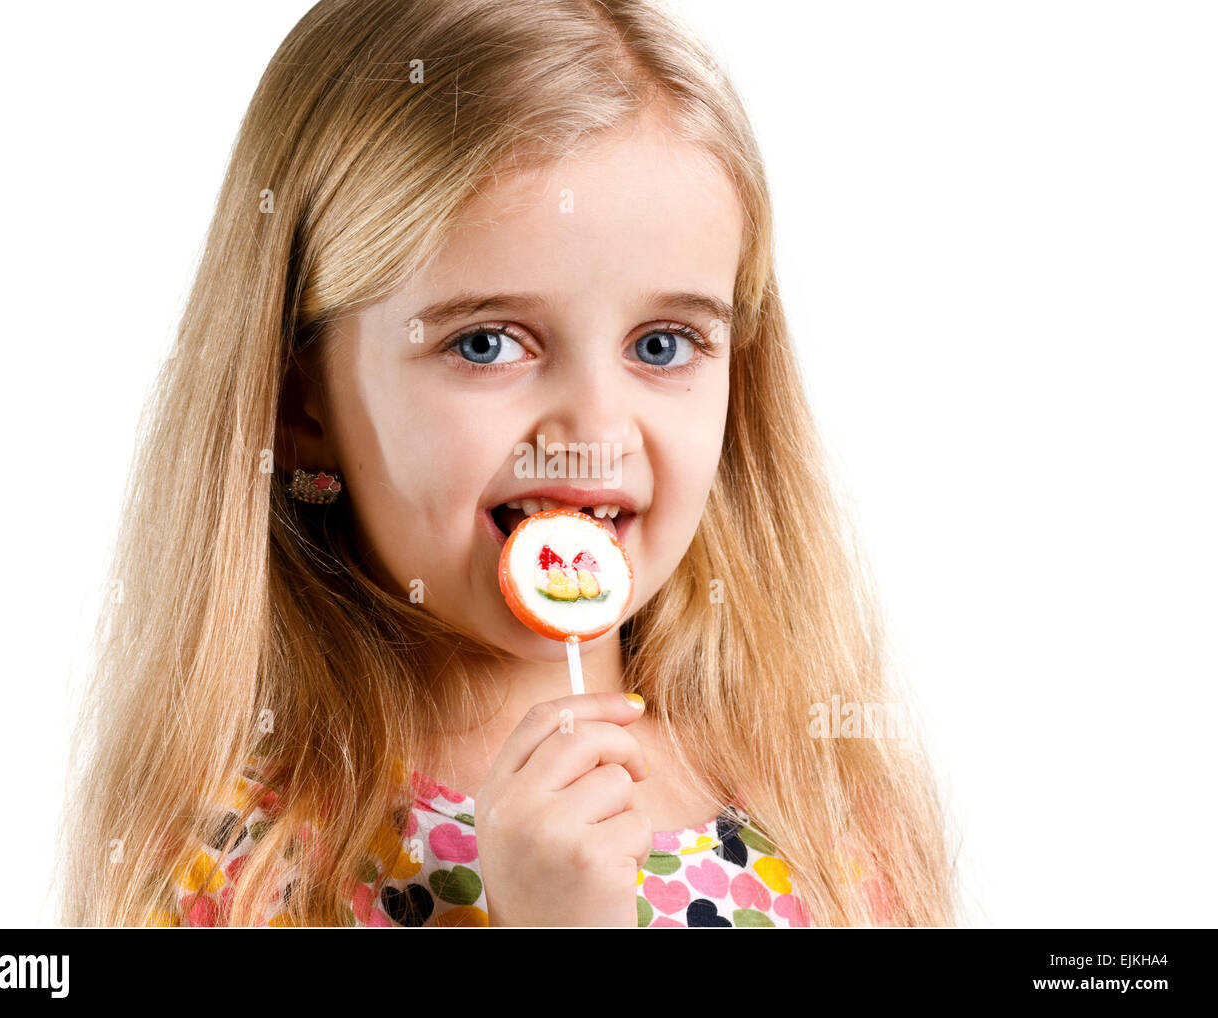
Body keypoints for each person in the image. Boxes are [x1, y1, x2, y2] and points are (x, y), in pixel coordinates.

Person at [57, 0, 957, 927]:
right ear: (299, 404)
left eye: (662, 345)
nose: (596, 426)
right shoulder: (244, 863)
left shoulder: (826, 811)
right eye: (487, 343)